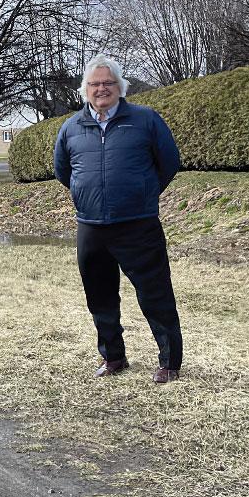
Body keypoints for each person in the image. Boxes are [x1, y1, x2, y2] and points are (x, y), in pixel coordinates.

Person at [53, 54, 184, 384]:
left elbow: (168, 163)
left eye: (108, 83)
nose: (101, 89)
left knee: (155, 295)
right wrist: (90, 196)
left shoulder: (145, 119)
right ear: (85, 89)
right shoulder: (71, 127)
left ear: (121, 87)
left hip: (138, 224)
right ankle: (113, 356)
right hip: (91, 227)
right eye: (94, 84)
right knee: (99, 296)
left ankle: (169, 362)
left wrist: (142, 191)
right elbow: (63, 171)